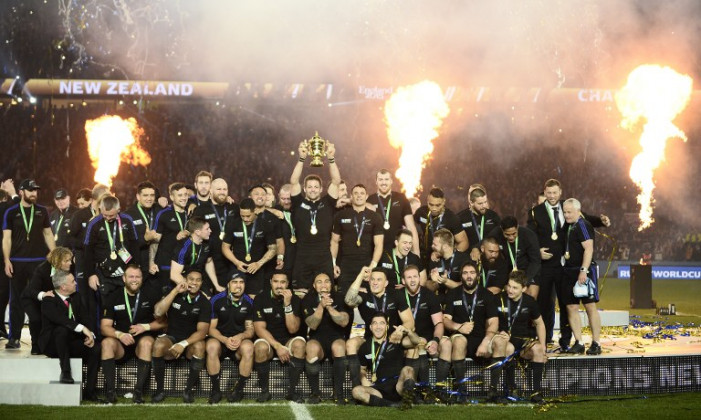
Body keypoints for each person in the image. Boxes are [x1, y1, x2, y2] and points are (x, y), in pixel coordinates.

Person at [527, 178, 610, 349]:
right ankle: (547, 337)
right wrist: (537, 252)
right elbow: (530, 235)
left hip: (566, 266)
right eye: (548, 193)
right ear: (544, 192)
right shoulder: (536, 212)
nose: (551, 196)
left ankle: (567, 341)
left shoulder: (568, 206)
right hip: (547, 265)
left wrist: (600, 221)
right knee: (546, 303)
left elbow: (584, 218)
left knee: (569, 305)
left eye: (555, 193)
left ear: (560, 192)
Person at [3, 179, 55, 349]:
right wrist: (6, 260)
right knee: (16, 300)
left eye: (36, 190)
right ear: (21, 192)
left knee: (39, 299)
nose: (34, 193)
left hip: (38, 262)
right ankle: (14, 338)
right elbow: (7, 239)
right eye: (30, 190)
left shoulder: (42, 211)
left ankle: (38, 340)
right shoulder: (11, 212)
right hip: (17, 262)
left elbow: (48, 234)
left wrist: (54, 256)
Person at [100, 264, 164, 404]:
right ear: (124, 278)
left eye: (138, 276)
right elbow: (104, 327)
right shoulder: (113, 296)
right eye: (131, 276)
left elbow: (164, 323)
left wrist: (145, 327)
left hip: (141, 341)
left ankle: (138, 393)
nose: (134, 280)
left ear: (142, 278)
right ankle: (110, 393)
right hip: (120, 343)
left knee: (147, 342)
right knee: (106, 343)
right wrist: (119, 335)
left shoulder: (151, 294)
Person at [344, 267, 414, 389]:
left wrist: (400, 330)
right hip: (369, 339)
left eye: (379, 280)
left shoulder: (396, 295)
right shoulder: (365, 295)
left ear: (386, 283)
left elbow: (410, 322)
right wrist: (361, 274)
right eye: (372, 279)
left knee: (413, 344)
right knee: (350, 344)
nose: (375, 282)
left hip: (392, 338)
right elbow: (349, 300)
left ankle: (409, 388)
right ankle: (356, 387)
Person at [38, 270, 100, 401]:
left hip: (71, 342)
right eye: (72, 281)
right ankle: (65, 372)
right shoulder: (49, 300)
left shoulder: (76, 296)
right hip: (52, 344)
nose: (76, 283)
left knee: (95, 349)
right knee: (62, 330)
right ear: (63, 287)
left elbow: (85, 317)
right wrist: (83, 329)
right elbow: (60, 319)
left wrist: (90, 334)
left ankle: (90, 391)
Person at [289, 140, 341, 293]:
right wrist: (301, 159)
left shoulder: (328, 203)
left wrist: (331, 159)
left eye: (316, 187)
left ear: (321, 189)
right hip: (302, 256)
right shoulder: (298, 203)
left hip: (323, 257)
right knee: (300, 294)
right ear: (304, 189)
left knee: (326, 294)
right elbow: (293, 181)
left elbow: (336, 182)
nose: (312, 190)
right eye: (309, 187)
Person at [151, 269, 210, 403]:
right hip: (172, 338)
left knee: (200, 346)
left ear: (201, 283)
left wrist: (183, 344)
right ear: (185, 280)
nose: (194, 283)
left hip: (190, 343)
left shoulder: (205, 302)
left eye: (198, 280)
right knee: (159, 344)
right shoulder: (174, 294)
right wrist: (175, 291)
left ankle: (188, 391)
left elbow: (202, 332)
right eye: (191, 279)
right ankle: (160, 390)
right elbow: (158, 312)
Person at [442, 261, 499, 390]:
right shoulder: (452, 294)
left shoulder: (487, 295)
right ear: (461, 276)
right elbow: (445, 320)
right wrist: (459, 327)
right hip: (460, 337)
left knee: (500, 342)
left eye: (472, 273)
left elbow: (493, 322)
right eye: (465, 273)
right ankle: (460, 389)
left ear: (478, 276)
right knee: (459, 341)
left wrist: (486, 342)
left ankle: (494, 391)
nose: (469, 276)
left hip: (481, 338)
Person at [494, 270, 547, 403]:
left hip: (524, 343)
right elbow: (490, 323)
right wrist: (497, 334)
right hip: (506, 341)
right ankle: (511, 389)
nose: (510, 290)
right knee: (509, 349)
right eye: (509, 286)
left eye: (515, 287)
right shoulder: (498, 299)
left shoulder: (529, 302)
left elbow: (540, 324)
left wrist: (543, 345)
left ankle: (536, 392)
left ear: (524, 288)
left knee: (539, 349)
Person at [252, 271, 305, 402]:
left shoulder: (296, 300)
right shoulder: (260, 298)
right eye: (276, 281)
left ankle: (291, 392)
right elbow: (259, 329)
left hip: (288, 340)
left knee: (299, 345)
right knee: (260, 347)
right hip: (269, 340)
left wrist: (287, 305)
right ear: (270, 282)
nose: (279, 286)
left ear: (287, 284)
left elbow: (293, 329)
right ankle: (265, 392)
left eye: (283, 282)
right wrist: (277, 346)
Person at [302, 272, 351, 404]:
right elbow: (312, 324)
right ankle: (315, 393)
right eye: (319, 282)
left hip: (336, 338)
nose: (323, 285)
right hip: (317, 339)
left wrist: (328, 306)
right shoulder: (308, 299)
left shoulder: (340, 297)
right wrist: (321, 306)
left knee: (339, 347)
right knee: (311, 348)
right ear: (314, 285)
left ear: (331, 284)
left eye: (327, 281)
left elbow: (343, 321)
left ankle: (338, 393)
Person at [206, 272, 255, 404]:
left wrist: (241, 336)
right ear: (228, 284)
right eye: (235, 282)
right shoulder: (216, 300)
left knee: (249, 347)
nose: (238, 286)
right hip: (220, 340)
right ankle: (216, 391)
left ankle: (238, 390)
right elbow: (210, 328)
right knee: (211, 346)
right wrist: (224, 340)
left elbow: (250, 329)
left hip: (239, 341)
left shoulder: (249, 302)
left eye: (241, 282)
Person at [351, 312, 418, 407]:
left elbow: (416, 341)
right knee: (356, 391)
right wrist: (363, 378)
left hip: (398, 386)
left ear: (387, 326)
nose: (378, 327)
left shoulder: (395, 339)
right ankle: (392, 405)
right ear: (370, 327)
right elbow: (362, 369)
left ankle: (408, 396)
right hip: (379, 389)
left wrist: (408, 332)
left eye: (382, 323)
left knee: (408, 369)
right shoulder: (365, 346)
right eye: (375, 323)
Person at [562, 198, 602, 355]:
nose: (566, 215)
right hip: (569, 271)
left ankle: (596, 343)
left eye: (569, 212)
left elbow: (589, 249)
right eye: (565, 212)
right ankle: (578, 342)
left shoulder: (583, 225)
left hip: (583, 271)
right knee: (571, 307)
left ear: (578, 211)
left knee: (590, 306)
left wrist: (583, 270)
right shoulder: (570, 225)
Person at [83, 195, 140, 303]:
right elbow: (88, 251)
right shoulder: (94, 223)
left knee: (125, 303)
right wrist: (91, 274)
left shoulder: (127, 220)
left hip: (124, 270)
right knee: (106, 305)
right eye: (105, 215)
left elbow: (134, 245)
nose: (108, 218)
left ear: (118, 210)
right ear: (100, 209)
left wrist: (135, 267)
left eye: (111, 215)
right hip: (103, 273)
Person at [401, 265, 452, 385]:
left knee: (447, 344)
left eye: (415, 276)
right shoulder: (398, 296)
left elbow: (439, 323)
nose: (413, 280)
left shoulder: (430, 296)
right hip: (407, 339)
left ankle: (440, 388)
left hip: (428, 337)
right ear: (403, 281)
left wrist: (435, 340)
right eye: (409, 277)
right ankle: (422, 389)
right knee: (417, 345)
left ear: (420, 278)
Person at [331, 184, 384, 294]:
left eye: (362, 193)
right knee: (345, 299)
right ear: (351, 196)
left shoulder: (375, 217)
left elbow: (379, 244)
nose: (359, 196)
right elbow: (334, 241)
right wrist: (333, 263)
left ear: (366, 196)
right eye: (355, 193)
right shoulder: (341, 215)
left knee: (365, 300)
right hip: (345, 265)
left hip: (366, 265)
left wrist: (372, 267)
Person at [21, 246, 73, 355]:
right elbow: (32, 290)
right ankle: (35, 345)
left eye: (70, 260)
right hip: (32, 298)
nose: (70, 263)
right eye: (66, 260)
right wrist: (44, 294)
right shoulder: (42, 269)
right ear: (58, 261)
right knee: (36, 319)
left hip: (51, 299)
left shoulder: (71, 268)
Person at [222, 198, 277, 298]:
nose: (245, 219)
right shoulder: (233, 224)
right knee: (235, 297)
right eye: (242, 216)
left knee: (254, 299)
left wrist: (259, 263)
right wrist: (236, 262)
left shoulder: (265, 224)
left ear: (255, 211)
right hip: (237, 268)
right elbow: (225, 247)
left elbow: (273, 248)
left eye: (248, 216)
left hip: (256, 270)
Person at [192, 178, 239, 283]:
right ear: (211, 190)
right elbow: (193, 231)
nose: (222, 192)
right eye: (219, 189)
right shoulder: (201, 210)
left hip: (231, 260)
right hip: (209, 260)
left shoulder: (234, 208)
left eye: (225, 189)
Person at [366, 169, 420, 255]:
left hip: (397, 251)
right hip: (375, 251)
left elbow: (411, 227)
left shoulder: (401, 198)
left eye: (386, 179)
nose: (384, 183)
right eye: (380, 180)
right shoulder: (369, 200)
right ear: (376, 182)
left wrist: (417, 253)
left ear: (391, 181)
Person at [150, 182, 190, 296]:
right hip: (166, 264)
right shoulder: (164, 214)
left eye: (185, 194)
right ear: (172, 197)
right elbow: (155, 242)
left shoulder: (191, 213)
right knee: (165, 298)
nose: (183, 198)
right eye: (180, 195)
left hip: (184, 265)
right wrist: (151, 262)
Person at [487, 216, 541, 297]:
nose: (511, 237)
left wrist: (525, 281)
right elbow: (484, 242)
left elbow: (535, 262)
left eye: (514, 233)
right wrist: (476, 248)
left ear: (517, 227)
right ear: (502, 230)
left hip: (527, 270)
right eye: (507, 234)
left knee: (530, 295)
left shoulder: (529, 235)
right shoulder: (496, 232)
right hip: (507, 271)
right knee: (505, 293)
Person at [170, 216, 223, 296]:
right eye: (207, 229)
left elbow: (208, 262)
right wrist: (195, 290)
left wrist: (216, 285)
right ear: (198, 232)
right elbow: (174, 275)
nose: (210, 231)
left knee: (209, 299)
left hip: (199, 279)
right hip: (184, 282)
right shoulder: (184, 248)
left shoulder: (208, 243)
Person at [414, 187, 468, 264]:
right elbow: (410, 227)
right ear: (427, 201)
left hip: (442, 261)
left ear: (443, 202)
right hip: (423, 258)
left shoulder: (451, 218)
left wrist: (444, 254)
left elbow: (464, 243)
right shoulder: (421, 212)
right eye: (431, 204)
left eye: (438, 205)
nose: (434, 208)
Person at [124, 181, 162, 280]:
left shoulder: (160, 211)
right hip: (138, 268)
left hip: (157, 265)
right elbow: (126, 244)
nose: (149, 199)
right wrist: (145, 239)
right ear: (138, 196)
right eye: (145, 195)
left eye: (152, 195)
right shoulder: (128, 215)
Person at [457, 186, 500, 262]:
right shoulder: (461, 217)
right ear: (471, 202)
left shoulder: (493, 216)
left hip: (490, 259)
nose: (484, 206)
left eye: (485, 202)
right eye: (480, 203)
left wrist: (477, 247)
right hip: (469, 261)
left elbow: (497, 235)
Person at [428, 228, 471, 293]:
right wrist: (435, 283)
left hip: (460, 299)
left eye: (435, 245)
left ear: (445, 246)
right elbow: (428, 286)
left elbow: (467, 286)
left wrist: (446, 281)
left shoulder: (464, 259)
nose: (432, 246)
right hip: (441, 300)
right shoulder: (435, 259)